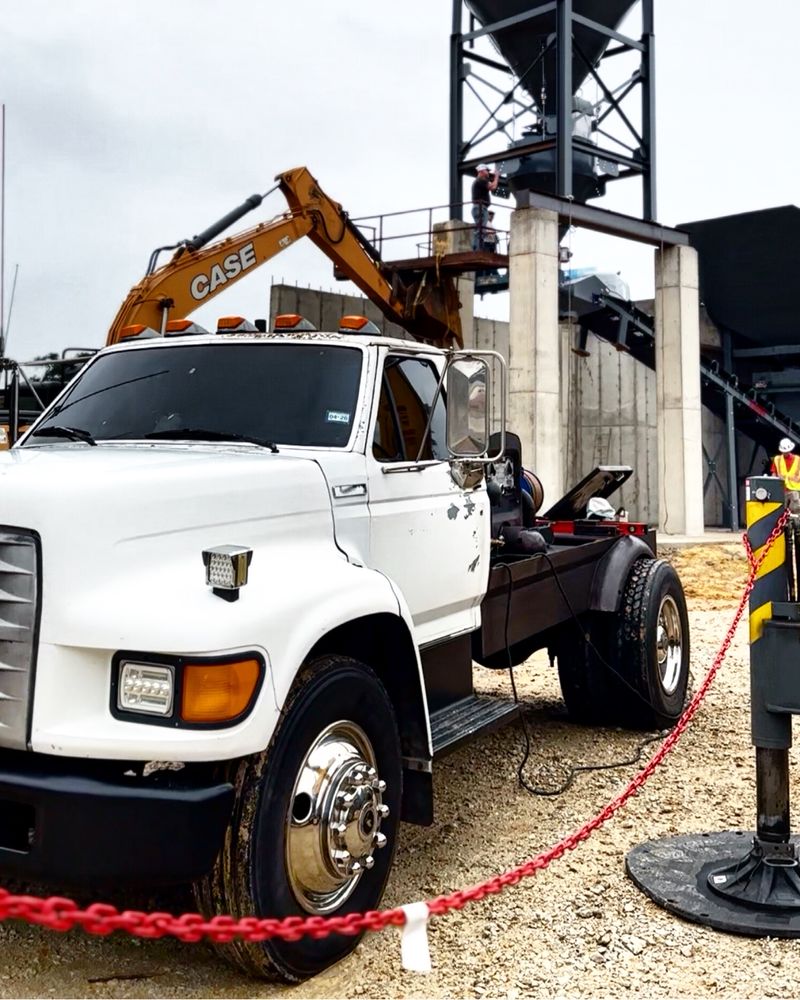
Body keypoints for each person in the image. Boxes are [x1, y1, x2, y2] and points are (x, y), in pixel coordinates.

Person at [471, 163, 499, 250]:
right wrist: (496, 177)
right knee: (480, 230)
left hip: (481, 208)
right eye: (487, 171)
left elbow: (492, 186)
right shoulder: (480, 180)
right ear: (482, 171)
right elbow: (493, 187)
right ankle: (477, 250)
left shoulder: (480, 181)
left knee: (481, 229)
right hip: (480, 208)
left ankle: (478, 248)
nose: (488, 172)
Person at [770, 437, 800, 515]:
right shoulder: (777, 459)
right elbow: (774, 473)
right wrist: (774, 485)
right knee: (780, 511)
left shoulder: (798, 460)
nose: (785, 453)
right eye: (784, 451)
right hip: (781, 489)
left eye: (786, 451)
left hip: (794, 490)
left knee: (795, 511)